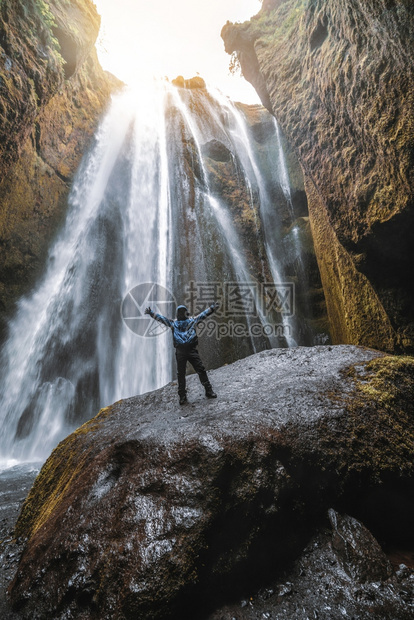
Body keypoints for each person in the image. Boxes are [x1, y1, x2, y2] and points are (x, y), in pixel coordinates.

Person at [145, 303, 219, 405]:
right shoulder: (175, 323)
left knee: (199, 370)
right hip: (182, 352)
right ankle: (184, 396)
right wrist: (152, 313)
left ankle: (207, 391)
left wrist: (211, 309)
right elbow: (162, 319)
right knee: (182, 374)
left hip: (189, 350)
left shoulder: (189, 321)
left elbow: (203, 315)